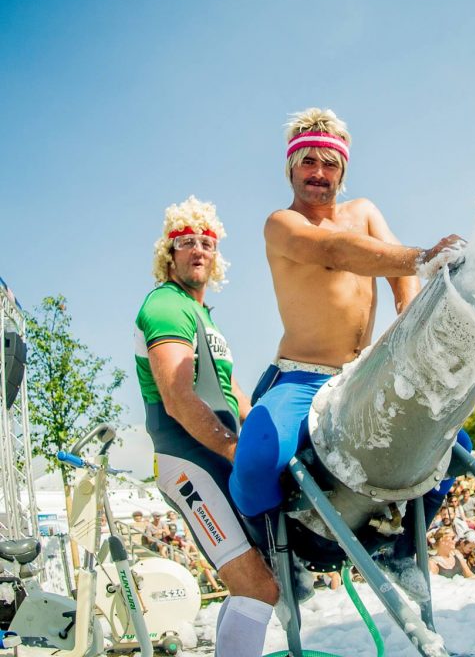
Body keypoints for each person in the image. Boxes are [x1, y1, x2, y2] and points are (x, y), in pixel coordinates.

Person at [228, 109, 464, 570]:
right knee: (256, 460)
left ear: (343, 170)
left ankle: (401, 552)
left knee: (455, 447)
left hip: (362, 372)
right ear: (290, 168)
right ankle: (276, 560)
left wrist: (408, 319)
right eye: (308, 162)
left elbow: (399, 276)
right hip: (302, 374)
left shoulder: (365, 211)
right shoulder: (281, 223)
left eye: (329, 163)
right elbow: (335, 251)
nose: (319, 172)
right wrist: (424, 257)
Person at [134, 196, 277, 657]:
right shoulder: (165, 305)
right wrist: (236, 449)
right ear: (169, 253)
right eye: (186, 241)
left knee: (256, 581)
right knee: (257, 587)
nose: (198, 249)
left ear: (216, 256)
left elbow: (234, 393)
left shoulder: (204, 316)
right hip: (187, 460)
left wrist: (269, 435)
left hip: (214, 456)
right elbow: (178, 400)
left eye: (207, 242)